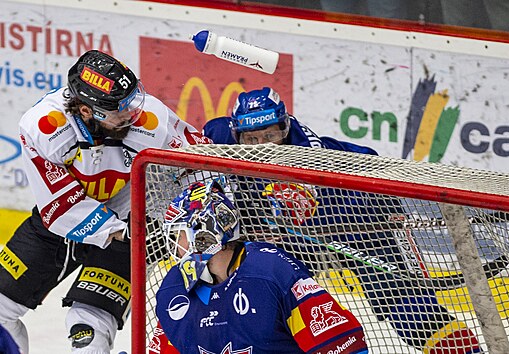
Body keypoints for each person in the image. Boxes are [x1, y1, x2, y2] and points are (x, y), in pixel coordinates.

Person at [202, 87, 482, 353]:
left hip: (356, 216)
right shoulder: (219, 135)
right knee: (260, 303)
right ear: (236, 134)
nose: (262, 147)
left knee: (404, 304)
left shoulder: (309, 157)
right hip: (290, 240)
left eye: (270, 136)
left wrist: (385, 210)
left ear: (284, 128)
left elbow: (308, 204)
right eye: (252, 140)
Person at [0, 50, 210, 354]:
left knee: (87, 326)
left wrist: (182, 221)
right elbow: (60, 205)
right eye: (119, 108)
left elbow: (198, 166)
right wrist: (126, 234)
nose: (132, 112)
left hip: (132, 219)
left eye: (132, 98)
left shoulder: (151, 121)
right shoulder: (46, 128)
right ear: (87, 111)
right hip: (64, 222)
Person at [152, 182, 368, 354]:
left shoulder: (271, 271)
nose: (175, 245)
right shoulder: (174, 289)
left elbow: (343, 344)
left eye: (178, 234)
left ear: (205, 233)